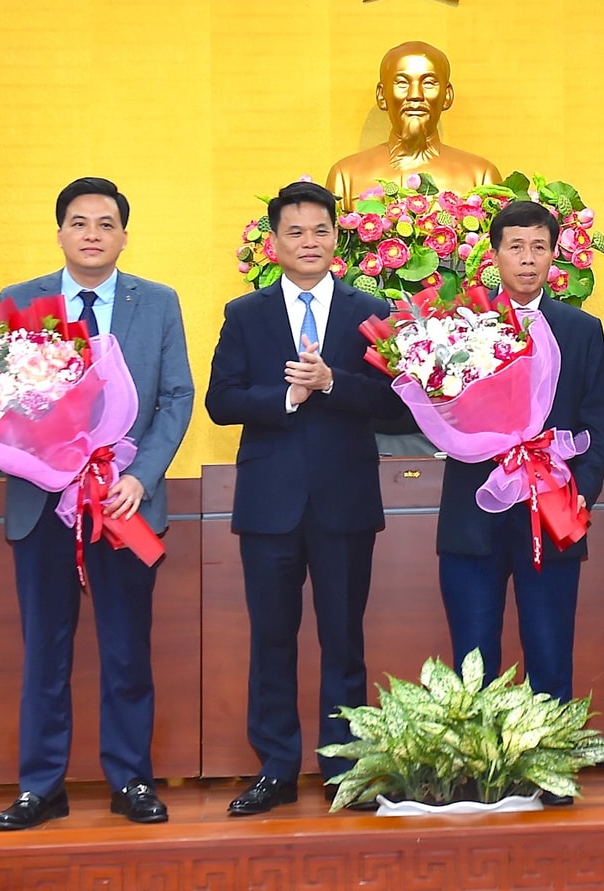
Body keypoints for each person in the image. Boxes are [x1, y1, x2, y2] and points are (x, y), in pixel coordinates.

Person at [0, 178, 194, 831]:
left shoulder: (157, 303)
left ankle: (131, 777)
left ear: (123, 235)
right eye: (79, 222)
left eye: (106, 223)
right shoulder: (18, 302)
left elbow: (177, 397)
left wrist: (143, 474)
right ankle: (41, 784)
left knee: (127, 648)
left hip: (123, 500)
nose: (92, 234)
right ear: (60, 232)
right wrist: (45, 462)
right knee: (44, 649)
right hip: (44, 500)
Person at [204, 181, 395, 814]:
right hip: (269, 503)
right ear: (274, 241)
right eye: (295, 232)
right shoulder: (245, 314)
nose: (308, 242)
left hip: (344, 501)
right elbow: (222, 399)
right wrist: (287, 397)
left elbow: (399, 404)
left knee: (344, 640)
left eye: (320, 231)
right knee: (272, 639)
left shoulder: (371, 311)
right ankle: (276, 768)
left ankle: (345, 768)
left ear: (336, 238)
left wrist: (333, 381)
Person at [437, 201, 604, 802]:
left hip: (551, 509)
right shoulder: (462, 326)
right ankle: (477, 772)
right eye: (516, 246)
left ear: (555, 254)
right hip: (475, 509)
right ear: (496, 254)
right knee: (474, 653)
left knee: (549, 646)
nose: (528, 258)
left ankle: (549, 767)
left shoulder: (582, 330)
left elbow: (595, 418)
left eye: (539, 247)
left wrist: (580, 489)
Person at [324, 40, 502, 199]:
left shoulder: (481, 177)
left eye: (429, 83)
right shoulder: (346, 178)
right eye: (402, 82)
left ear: (447, 96)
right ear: (381, 95)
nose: (415, 95)